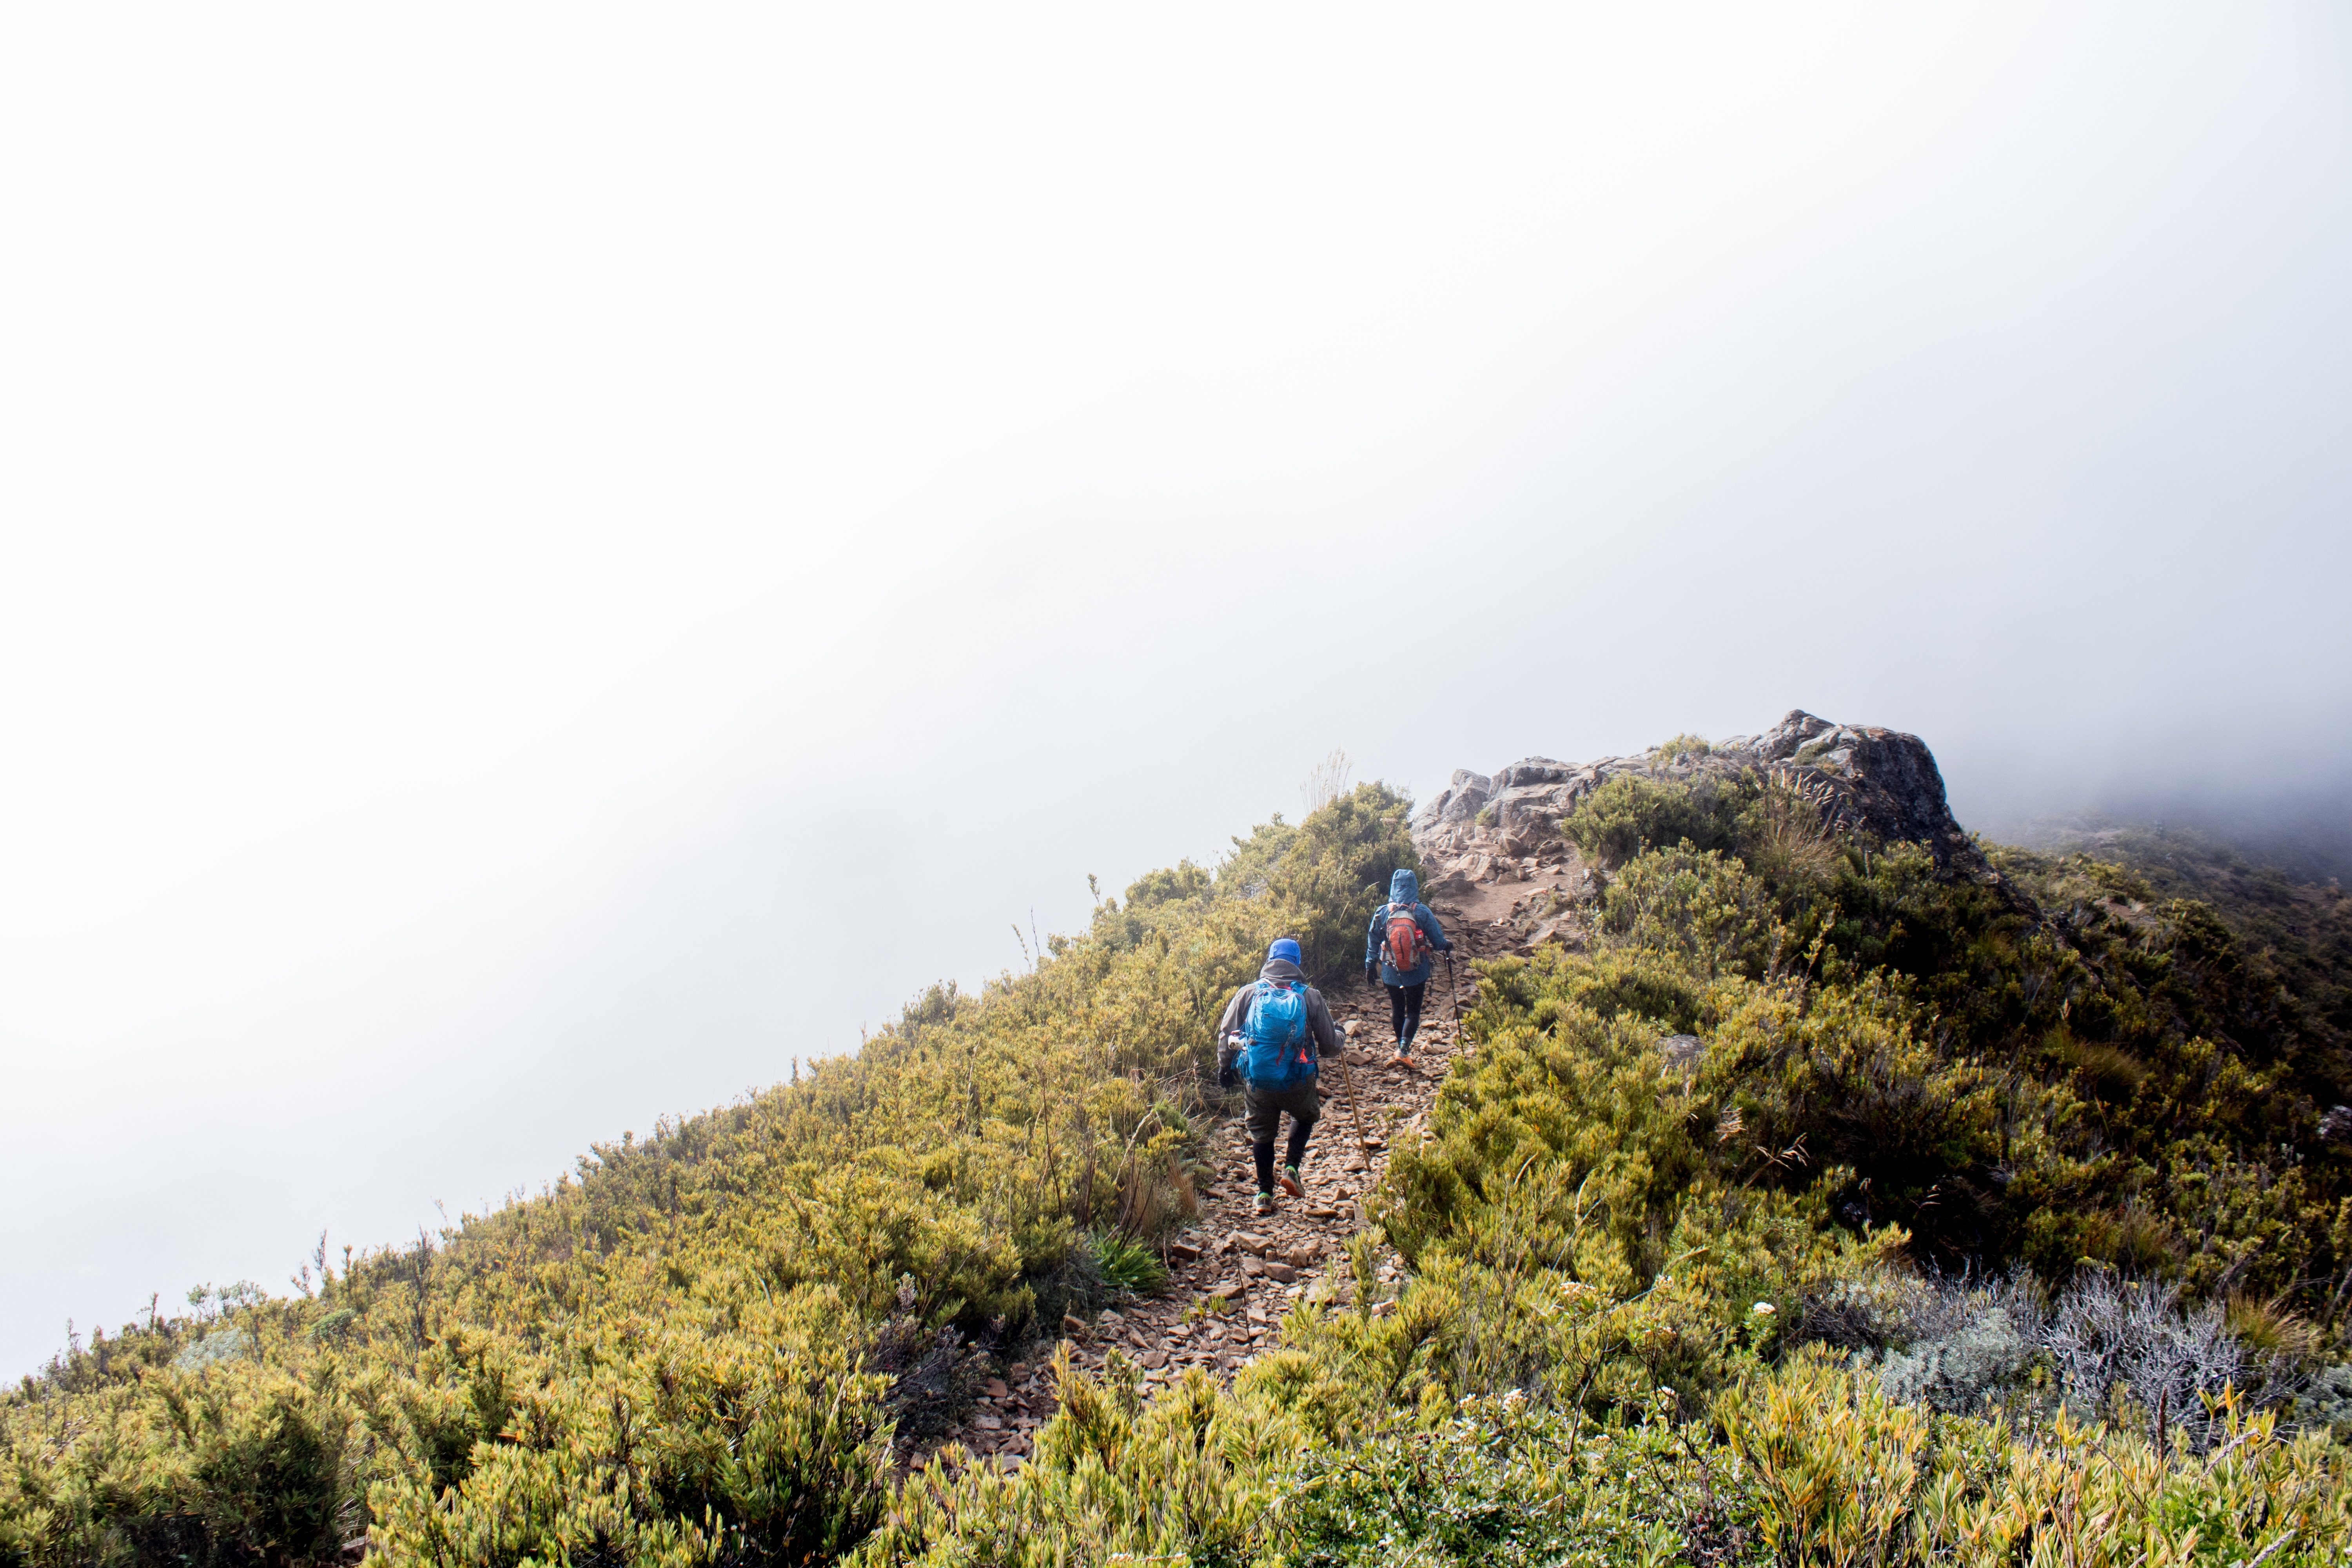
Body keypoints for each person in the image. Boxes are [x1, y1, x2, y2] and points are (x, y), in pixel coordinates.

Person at [1216, 938, 1344, 1216]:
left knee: (1262, 1134)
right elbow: (1330, 1047)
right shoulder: (1310, 996)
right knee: (1306, 1115)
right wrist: (1341, 1035)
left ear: (1270, 959)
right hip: (1298, 1079)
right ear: (1297, 963)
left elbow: (1227, 1036)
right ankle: (1291, 1169)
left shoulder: (1249, 993)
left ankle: (1264, 1195)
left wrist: (1224, 1068)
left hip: (1258, 1080)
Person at [1365, 868, 1452, 1065]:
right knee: (1413, 1011)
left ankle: (1401, 1049)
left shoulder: (1383, 912)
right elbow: (1438, 942)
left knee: (1398, 1009)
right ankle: (1403, 1051)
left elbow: (1373, 941)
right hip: (1417, 970)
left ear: (1393, 887)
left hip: (1391, 970)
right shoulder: (1421, 912)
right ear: (1415, 887)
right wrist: (1447, 945)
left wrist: (1370, 966)